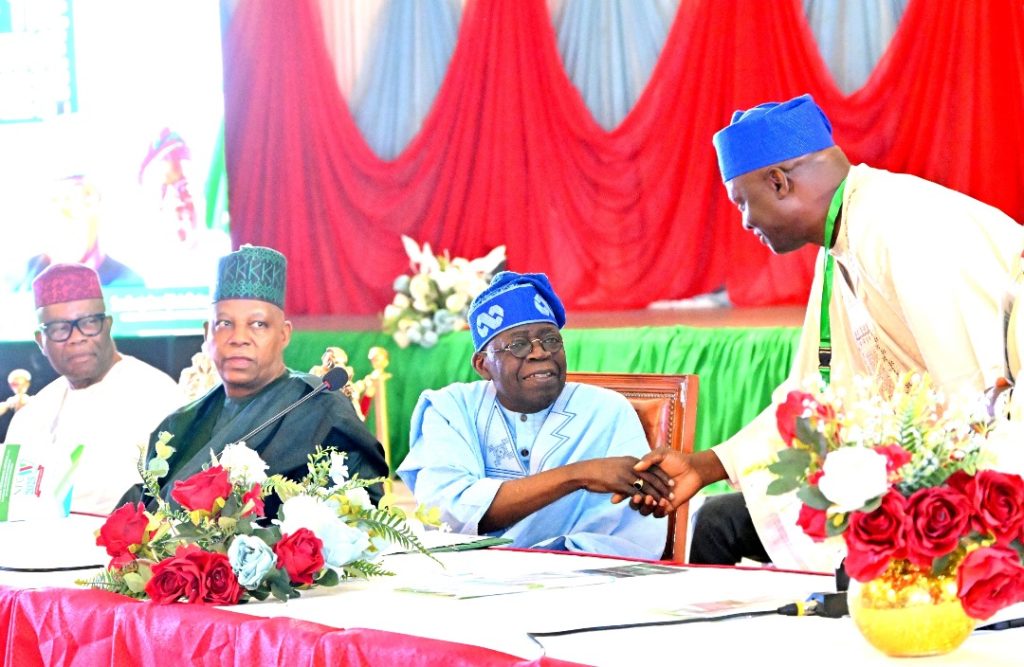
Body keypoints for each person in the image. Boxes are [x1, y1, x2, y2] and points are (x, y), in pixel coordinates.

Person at [633, 93, 1024, 570]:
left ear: (777, 182)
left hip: (989, 473)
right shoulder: (842, 242)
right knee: (718, 522)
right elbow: (820, 397)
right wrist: (706, 465)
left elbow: (977, 393)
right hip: (922, 473)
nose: (746, 221)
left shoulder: (903, 224)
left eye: (742, 202)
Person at [397, 271, 671, 559]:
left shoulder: (606, 411)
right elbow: (446, 513)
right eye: (518, 345)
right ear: (483, 365)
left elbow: (633, 532)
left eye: (551, 340)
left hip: (577, 573)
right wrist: (579, 475)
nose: (540, 353)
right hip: (468, 573)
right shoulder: (451, 409)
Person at [120, 245, 388, 518]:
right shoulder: (179, 426)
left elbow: (363, 517)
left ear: (284, 334)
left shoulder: (322, 412)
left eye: (258, 324)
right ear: (207, 333)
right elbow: (148, 510)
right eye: (224, 324)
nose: (239, 338)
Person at [4, 263, 183, 514]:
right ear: (41, 341)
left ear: (107, 324)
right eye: (59, 328)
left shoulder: (159, 396)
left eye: (88, 322)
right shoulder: (30, 417)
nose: (77, 337)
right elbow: (9, 507)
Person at [17, 175, 145, 289]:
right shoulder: (20, 279)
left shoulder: (127, 287)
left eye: (71, 199)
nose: (63, 214)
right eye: (55, 200)